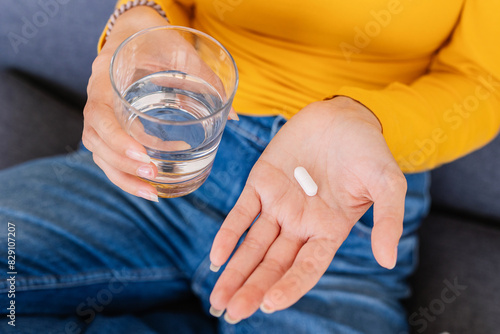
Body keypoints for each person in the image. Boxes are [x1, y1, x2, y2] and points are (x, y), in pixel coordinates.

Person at [1, 0, 499, 333]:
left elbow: (484, 78)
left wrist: (364, 116)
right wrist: (138, 19)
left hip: (339, 196)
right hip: (173, 145)